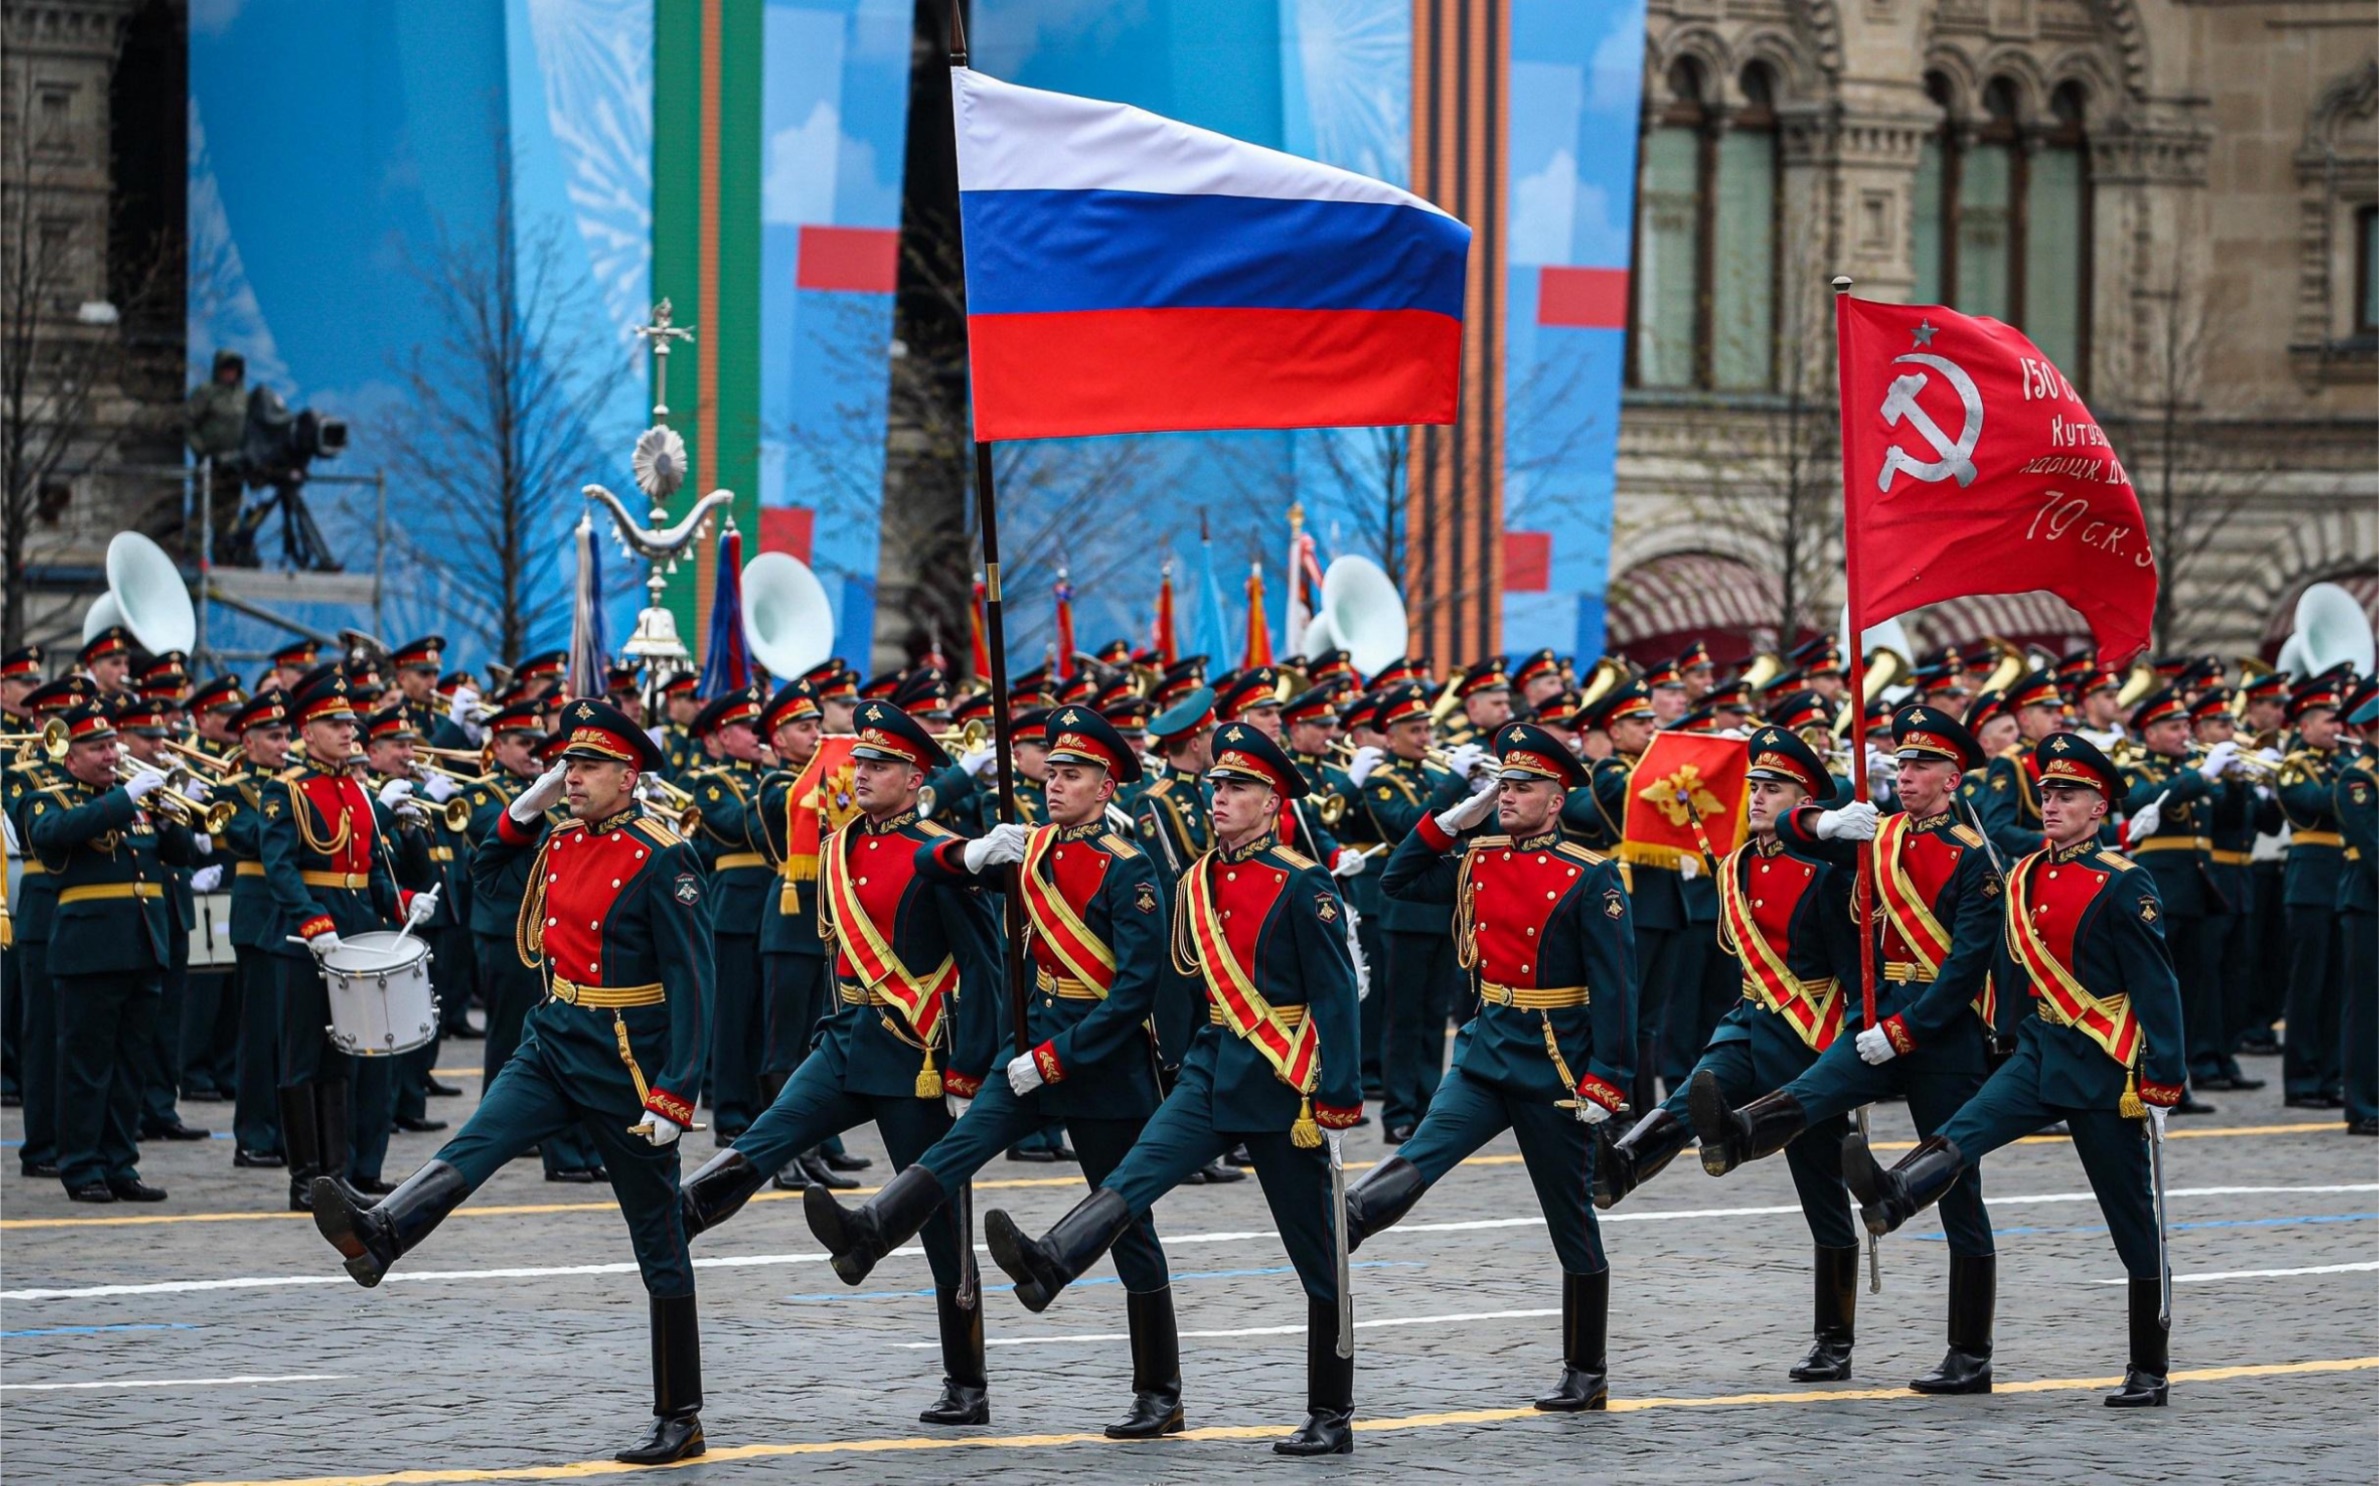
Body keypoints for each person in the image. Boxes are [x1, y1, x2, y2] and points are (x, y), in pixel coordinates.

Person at [311, 699, 714, 1464]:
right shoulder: (559, 842)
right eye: (566, 766)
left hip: (625, 1057)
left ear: (630, 776)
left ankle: (680, 1414)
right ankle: (384, 1231)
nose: (572, 778)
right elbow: (484, 872)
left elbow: (697, 982)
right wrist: (525, 807)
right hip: (554, 1033)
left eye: (588, 767)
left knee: (657, 1236)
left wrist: (675, 1092)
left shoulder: (664, 855)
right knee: (480, 1139)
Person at [980, 721, 1363, 1455]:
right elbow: (1180, 988)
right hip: (1211, 1069)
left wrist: (1337, 1095)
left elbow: (1336, 997)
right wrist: (1178, 1063)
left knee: (1316, 1253)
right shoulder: (1195, 878)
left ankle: (1329, 1411)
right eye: (1216, 785)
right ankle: (1052, 1261)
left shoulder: (1301, 882)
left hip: (1282, 1083)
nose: (1219, 798)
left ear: (1272, 801)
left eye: (1238, 788)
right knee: (1133, 1176)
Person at [808, 706, 1189, 1438]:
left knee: (1126, 1221)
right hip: (1030, 1046)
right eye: (1051, 771)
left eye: (1072, 775)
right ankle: (869, 1232)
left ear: (1106, 788)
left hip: (1100, 1061)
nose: (1053, 784)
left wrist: (1056, 1057)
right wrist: (981, 853)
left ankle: (1159, 1392)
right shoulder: (1032, 848)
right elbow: (922, 864)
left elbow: (1137, 990)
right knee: (955, 1149)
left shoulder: (1130, 868)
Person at [675, 701, 1005, 1428]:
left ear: (915, 778)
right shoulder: (837, 845)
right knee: (767, 1135)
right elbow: (839, 952)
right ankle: (682, 1213)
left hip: (915, 1054)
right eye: (858, 762)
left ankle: (967, 1381)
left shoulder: (943, 853)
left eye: (878, 765)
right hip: (846, 1038)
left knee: (939, 1220)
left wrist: (969, 1066)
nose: (860, 775)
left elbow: (984, 970)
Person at [1845, 732, 2184, 1407]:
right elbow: (2011, 964)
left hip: (2101, 1065)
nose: (2052, 804)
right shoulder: (2026, 870)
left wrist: (2162, 1079)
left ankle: (2147, 1367)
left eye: (2068, 795)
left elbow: (2157, 985)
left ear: (2099, 807)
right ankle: (1894, 1195)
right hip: (2036, 1050)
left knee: (2128, 1220)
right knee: (1966, 1129)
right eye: (2049, 793)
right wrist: (1998, 1032)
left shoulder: (2122, 882)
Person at [1690, 704, 2005, 1395]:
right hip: (1875, 1012)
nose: (1908, 773)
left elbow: (1964, 970)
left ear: (1952, 779)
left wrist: (1906, 1028)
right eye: (1904, 762)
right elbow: (1795, 829)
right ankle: (1737, 1131)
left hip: (1939, 1029)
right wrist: (1828, 821)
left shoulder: (1973, 858)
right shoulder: (1880, 836)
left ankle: (1968, 1352)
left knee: (1957, 1186)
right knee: (1811, 1092)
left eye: (1922, 765)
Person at [1350, 722, 1636, 1408]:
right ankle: (1348, 1221)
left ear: (1556, 795)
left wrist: (1609, 1078)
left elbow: (1618, 987)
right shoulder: (1477, 856)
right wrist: (1452, 817)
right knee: (1421, 1153)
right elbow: (1398, 877)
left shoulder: (1589, 874)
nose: (1507, 795)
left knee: (1569, 1216)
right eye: (1502, 784)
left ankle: (1585, 1370)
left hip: (1553, 1064)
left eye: (1522, 786)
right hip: (1485, 1048)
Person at [1596, 725, 1871, 1380]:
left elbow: (1858, 976)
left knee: (1820, 1188)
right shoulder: (1740, 862)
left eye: (1770, 788)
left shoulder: (1828, 875)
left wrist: (1856, 1052)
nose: (1753, 798)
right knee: (1703, 1087)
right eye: (1752, 786)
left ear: (1804, 800)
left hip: (1810, 1033)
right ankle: (1624, 1164)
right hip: (1750, 1018)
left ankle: (1834, 1338)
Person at [258, 670, 432, 1210]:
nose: (347, 732)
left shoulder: (357, 789)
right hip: (308, 936)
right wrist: (313, 923)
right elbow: (281, 867)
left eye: (350, 723)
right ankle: (304, 1179)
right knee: (302, 1056)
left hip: (353, 934)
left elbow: (372, 869)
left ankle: (336, 1177)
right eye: (335, 724)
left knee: (343, 1056)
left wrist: (404, 903)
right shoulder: (284, 788)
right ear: (307, 732)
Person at [23, 700, 197, 1200]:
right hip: (89, 950)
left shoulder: (133, 800)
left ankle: (121, 1164)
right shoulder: (47, 796)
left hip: (143, 945)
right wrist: (124, 800)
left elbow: (180, 856)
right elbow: (54, 836)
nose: (109, 755)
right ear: (70, 756)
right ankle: (81, 1167)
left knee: (129, 1067)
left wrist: (169, 819)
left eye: (111, 745)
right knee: (85, 1067)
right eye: (97, 748)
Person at [1350, 680, 1484, 1141]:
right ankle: (1400, 1111)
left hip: (1443, 908)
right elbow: (1411, 827)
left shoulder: (1432, 777)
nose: (1425, 736)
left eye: (1427, 726)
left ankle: (1429, 1104)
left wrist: (1483, 795)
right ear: (1389, 735)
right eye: (1414, 728)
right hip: (1404, 912)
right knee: (1403, 1016)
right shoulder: (1384, 780)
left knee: (1434, 1016)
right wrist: (1456, 784)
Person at [2118, 686, 2229, 1112]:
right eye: (2174, 726)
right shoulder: (2139, 768)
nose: (2185, 733)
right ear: (2149, 733)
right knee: (2156, 990)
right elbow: (2139, 801)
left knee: (2195, 990)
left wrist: (2230, 780)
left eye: (2186, 725)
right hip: (2160, 889)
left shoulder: (2193, 767)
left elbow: (2234, 818)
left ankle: (2182, 1079)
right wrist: (2200, 777)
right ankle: (2150, 1077)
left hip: (2200, 891)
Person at [684, 686, 775, 1141]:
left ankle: (764, 1108)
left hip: (777, 906)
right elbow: (739, 826)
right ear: (723, 735)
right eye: (744, 727)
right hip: (735, 910)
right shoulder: (714, 781)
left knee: (769, 1017)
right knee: (735, 1017)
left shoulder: (772, 779)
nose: (755, 735)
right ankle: (733, 1113)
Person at [2276, 680, 2349, 1108]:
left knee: (2337, 987)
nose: (2336, 726)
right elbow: (2313, 800)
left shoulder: (2344, 762)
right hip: (2310, 884)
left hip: (2340, 881)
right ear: (2304, 726)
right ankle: (2302, 1081)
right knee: (2308, 985)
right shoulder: (2295, 764)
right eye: (2328, 719)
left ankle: (2330, 1075)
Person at [2333, 694, 2377, 1135]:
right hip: (2368, 902)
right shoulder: (2357, 779)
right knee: (2365, 1008)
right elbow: (2372, 847)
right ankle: (2362, 1104)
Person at [1974, 670, 2065, 858]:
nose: (2059, 718)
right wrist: (2046, 843)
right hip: (2038, 861)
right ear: (2024, 719)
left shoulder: (2062, 757)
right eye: (2048, 711)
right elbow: (1997, 828)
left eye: (2057, 711)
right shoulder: (2008, 762)